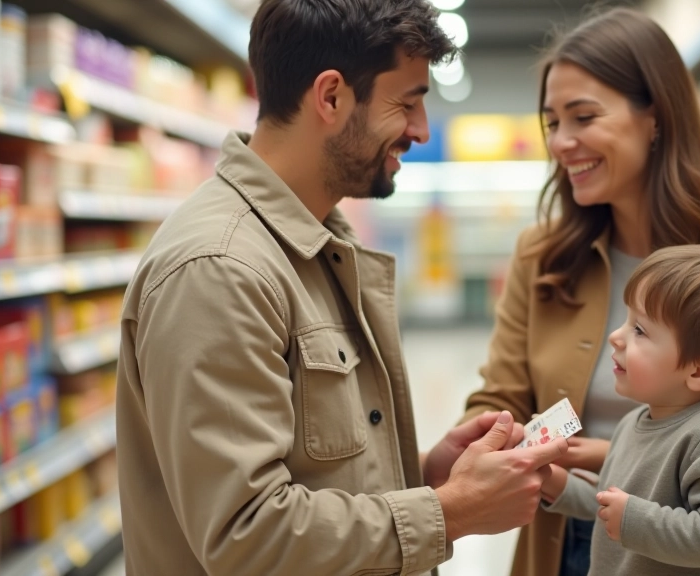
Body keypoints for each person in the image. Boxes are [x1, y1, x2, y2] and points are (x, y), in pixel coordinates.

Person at [115, 1, 567, 575]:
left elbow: (313, 469)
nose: (421, 131)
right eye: (407, 103)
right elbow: (247, 536)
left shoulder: (314, 241)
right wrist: (450, 512)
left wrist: (428, 475)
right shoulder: (220, 269)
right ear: (331, 96)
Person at [460, 7, 700, 576]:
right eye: (552, 123)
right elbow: (499, 401)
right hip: (560, 540)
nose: (561, 142)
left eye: (584, 117)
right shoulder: (543, 256)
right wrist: (498, 442)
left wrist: (667, 506)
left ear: (654, 117)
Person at [541, 245, 700, 576]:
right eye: (627, 320)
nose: (616, 337)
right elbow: (613, 500)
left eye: (639, 330)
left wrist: (631, 517)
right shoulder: (635, 421)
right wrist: (555, 483)